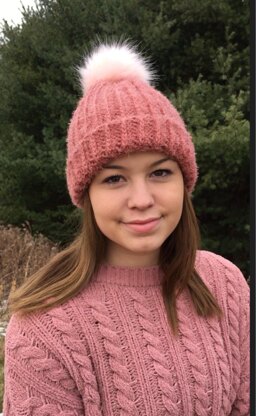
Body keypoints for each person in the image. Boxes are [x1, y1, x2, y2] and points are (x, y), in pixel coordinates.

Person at [3, 41, 249, 416]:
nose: (141, 199)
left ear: (185, 180)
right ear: (86, 195)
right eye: (115, 179)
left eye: (160, 172)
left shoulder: (225, 286)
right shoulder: (43, 328)